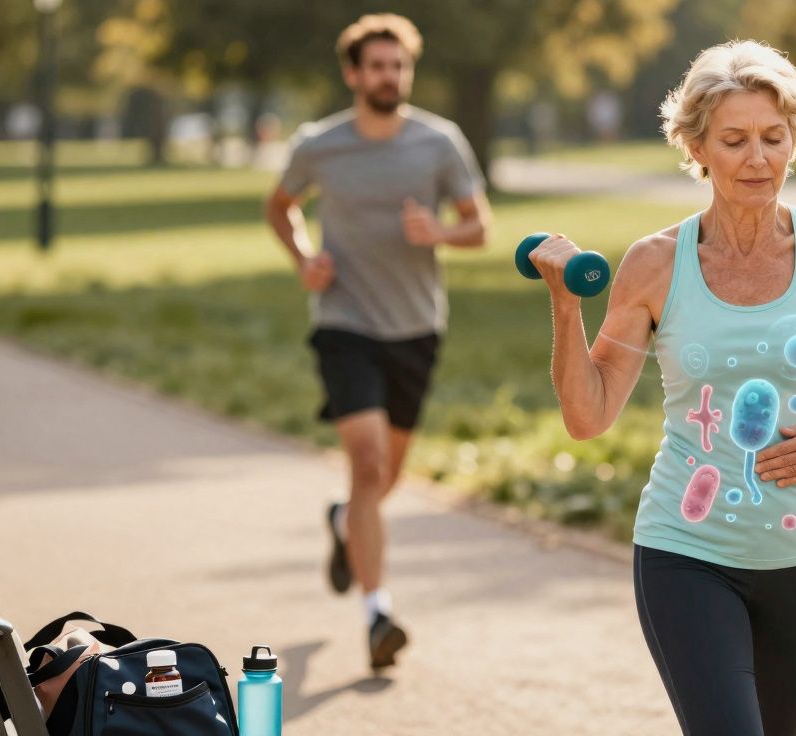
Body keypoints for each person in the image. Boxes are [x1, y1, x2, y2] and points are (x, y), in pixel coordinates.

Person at [528, 41, 796, 735]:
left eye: (774, 138)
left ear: (795, 141)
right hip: (686, 551)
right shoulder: (656, 264)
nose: (758, 159)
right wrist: (566, 308)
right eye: (735, 140)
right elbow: (588, 417)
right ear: (696, 147)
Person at [263, 13, 490, 670]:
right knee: (366, 466)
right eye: (378, 66)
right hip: (344, 321)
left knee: (384, 477)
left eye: (399, 66)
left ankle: (344, 523)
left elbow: (479, 227)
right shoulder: (319, 144)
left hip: (416, 325)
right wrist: (304, 257)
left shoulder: (438, 142)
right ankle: (378, 614)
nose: (390, 77)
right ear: (354, 74)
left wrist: (439, 234)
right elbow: (280, 206)